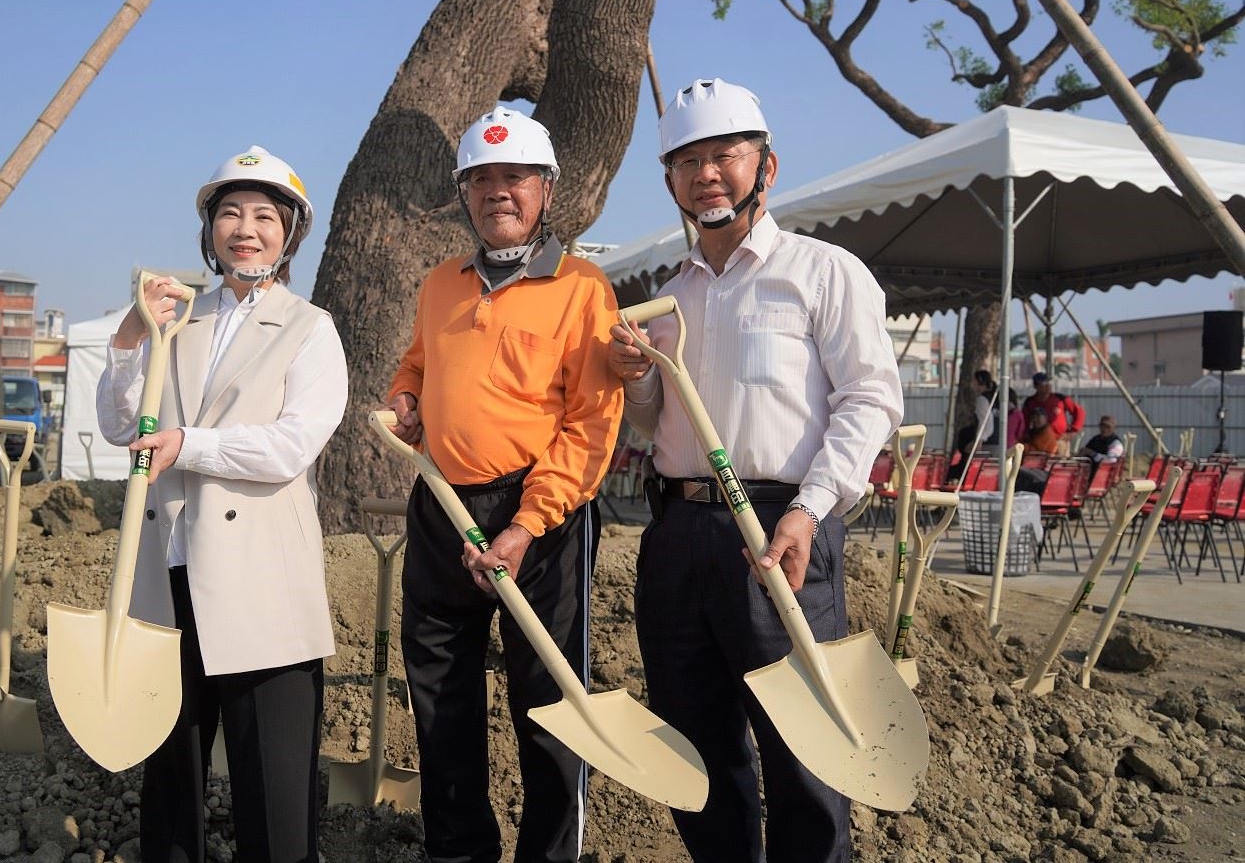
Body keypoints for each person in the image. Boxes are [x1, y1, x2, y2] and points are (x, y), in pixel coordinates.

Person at [607, 78, 902, 863]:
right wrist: (635, 374)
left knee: (804, 748)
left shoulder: (822, 271)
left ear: (765, 167)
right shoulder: (668, 297)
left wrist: (809, 510)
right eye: (688, 161)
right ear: (670, 181)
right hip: (676, 534)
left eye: (724, 156)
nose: (707, 174)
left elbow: (871, 400)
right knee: (697, 743)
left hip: (780, 528)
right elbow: (652, 423)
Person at [97, 147, 348, 863]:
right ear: (209, 230)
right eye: (230, 213)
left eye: (265, 216)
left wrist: (191, 446)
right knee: (170, 776)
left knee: (271, 785)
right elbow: (122, 426)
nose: (246, 229)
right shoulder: (173, 320)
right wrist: (127, 341)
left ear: (290, 234)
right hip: (167, 574)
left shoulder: (310, 329)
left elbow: (290, 447)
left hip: (260, 583)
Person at [385, 107, 623, 863]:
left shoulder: (584, 289)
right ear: (464, 193)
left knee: (548, 705)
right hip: (442, 506)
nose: (498, 193)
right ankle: (457, 852)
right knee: (440, 696)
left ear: (546, 189)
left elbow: (591, 424)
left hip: (541, 518)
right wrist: (404, 398)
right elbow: (418, 364)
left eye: (514, 177)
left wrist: (527, 524)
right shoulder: (440, 285)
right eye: (481, 180)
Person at [1021, 372, 1085, 456]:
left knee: (1059, 466)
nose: (1048, 386)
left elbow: (1079, 412)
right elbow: (1024, 423)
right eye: (1044, 383)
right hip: (1038, 442)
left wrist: (1073, 431)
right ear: (1036, 386)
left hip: (1060, 440)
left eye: (1049, 383)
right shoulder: (1030, 402)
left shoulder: (1060, 399)